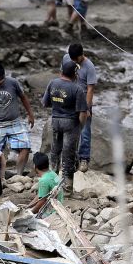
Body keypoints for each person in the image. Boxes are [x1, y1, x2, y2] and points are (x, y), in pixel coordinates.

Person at [42, 59, 89, 194]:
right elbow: (83, 112)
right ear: (75, 74)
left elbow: (45, 103)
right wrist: (80, 126)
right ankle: (67, 189)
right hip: (70, 123)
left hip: (55, 121)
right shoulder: (77, 89)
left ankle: (51, 185)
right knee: (68, 155)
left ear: (61, 71)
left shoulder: (52, 83)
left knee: (55, 152)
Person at [62, 43, 98, 172]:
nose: (72, 62)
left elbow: (90, 89)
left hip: (82, 100)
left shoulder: (89, 67)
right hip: (69, 100)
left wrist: (87, 108)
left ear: (81, 55)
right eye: (71, 59)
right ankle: (69, 158)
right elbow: (63, 76)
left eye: (75, 59)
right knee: (67, 129)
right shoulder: (67, 58)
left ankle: (84, 159)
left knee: (85, 131)